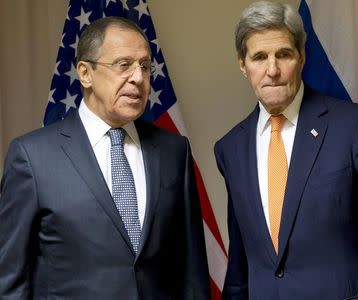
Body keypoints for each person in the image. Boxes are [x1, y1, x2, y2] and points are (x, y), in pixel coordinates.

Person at [214, 1, 358, 299]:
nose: (272, 70)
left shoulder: (354, 124)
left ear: (302, 56)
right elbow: (241, 254)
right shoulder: (229, 148)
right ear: (242, 65)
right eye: (259, 57)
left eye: (283, 54)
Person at [0, 16, 210, 299]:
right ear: (85, 73)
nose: (138, 77)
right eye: (124, 65)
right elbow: (10, 278)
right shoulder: (31, 157)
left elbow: (192, 271)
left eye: (145, 66)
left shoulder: (174, 151)